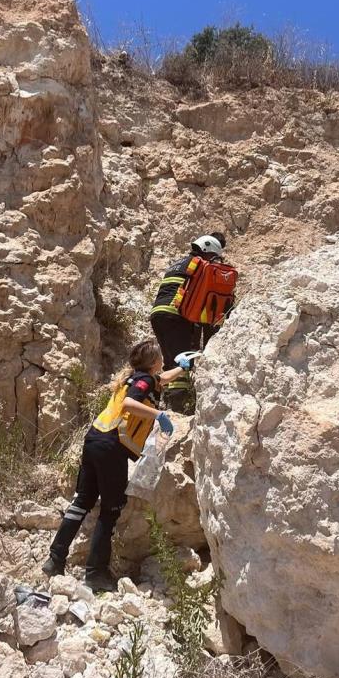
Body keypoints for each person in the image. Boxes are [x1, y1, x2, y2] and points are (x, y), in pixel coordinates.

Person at [42, 339, 184, 592]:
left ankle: (55, 559)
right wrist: (159, 416)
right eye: (161, 357)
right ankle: (96, 574)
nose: (164, 361)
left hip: (95, 437)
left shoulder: (137, 378)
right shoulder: (145, 381)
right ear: (153, 363)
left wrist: (184, 367)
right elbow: (132, 403)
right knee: (111, 510)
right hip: (112, 446)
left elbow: (160, 380)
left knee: (82, 501)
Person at [149, 231, 228, 412]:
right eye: (214, 257)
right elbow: (205, 300)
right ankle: (179, 410)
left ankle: (167, 405)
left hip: (159, 315)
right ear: (207, 250)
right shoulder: (201, 265)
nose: (215, 261)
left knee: (171, 362)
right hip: (175, 317)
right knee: (181, 364)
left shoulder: (179, 264)